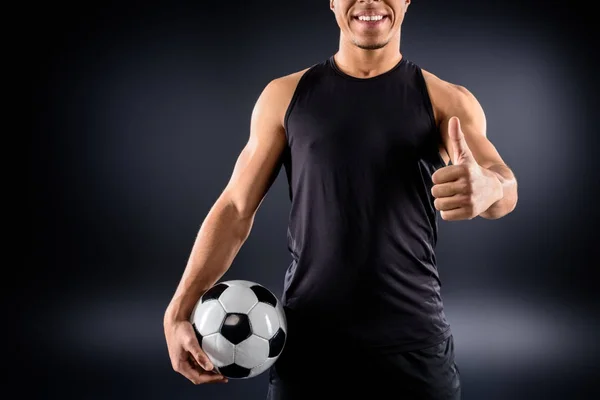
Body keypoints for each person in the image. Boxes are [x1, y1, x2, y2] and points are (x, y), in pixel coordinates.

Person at [163, 0, 518, 399]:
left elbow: (502, 184)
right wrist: (179, 309)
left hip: (415, 349)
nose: (369, 1)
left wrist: (490, 189)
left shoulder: (446, 100)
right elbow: (235, 207)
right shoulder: (285, 96)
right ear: (332, 1)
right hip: (309, 351)